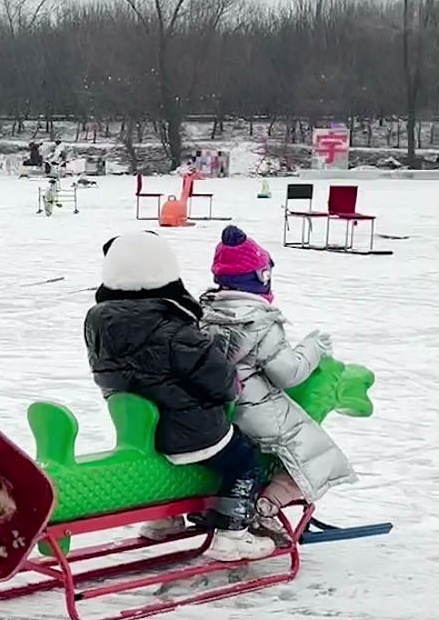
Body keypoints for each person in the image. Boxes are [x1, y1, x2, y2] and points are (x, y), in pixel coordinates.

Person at [83, 230, 276, 563]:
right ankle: (232, 534)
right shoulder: (174, 327)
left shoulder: (97, 321)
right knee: (244, 459)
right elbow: (220, 382)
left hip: (140, 433)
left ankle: (162, 518)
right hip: (191, 430)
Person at [201, 226, 356, 547]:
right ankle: (266, 505)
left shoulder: (205, 314)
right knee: (319, 456)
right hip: (258, 413)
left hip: (218, 413)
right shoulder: (260, 321)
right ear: (261, 279)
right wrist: (312, 348)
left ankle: (258, 502)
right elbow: (289, 373)